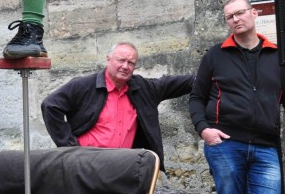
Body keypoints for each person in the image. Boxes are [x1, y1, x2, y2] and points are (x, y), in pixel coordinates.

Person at [189, 0, 282, 194]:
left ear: (254, 14)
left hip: (266, 146)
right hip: (225, 143)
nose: (235, 19)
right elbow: (197, 97)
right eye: (229, 16)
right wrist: (203, 129)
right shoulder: (216, 55)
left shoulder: (276, 56)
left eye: (240, 13)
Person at [41, 43, 194, 170]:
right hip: (86, 165)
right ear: (108, 60)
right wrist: (69, 147)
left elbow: (176, 83)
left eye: (131, 63)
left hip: (123, 166)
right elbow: (50, 106)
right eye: (121, 60)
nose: (125, 66)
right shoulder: (83, 85)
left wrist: (208, 76)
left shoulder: (142, 88)